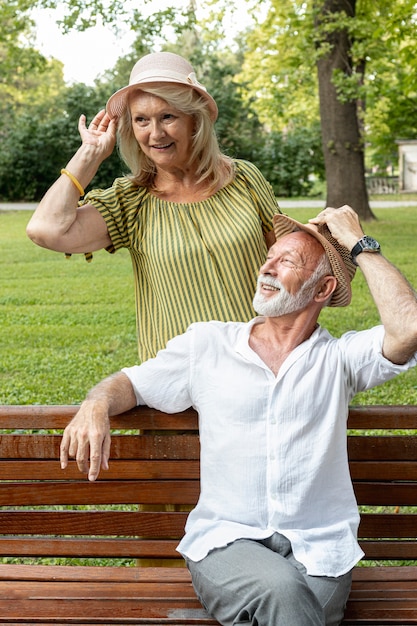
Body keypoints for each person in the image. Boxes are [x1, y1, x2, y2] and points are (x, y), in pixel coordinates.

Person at [59, 205, 417, 626]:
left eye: (287, 262)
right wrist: (96, 403)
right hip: (227, 543)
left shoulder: (340, 359)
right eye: (270, 257)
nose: (266, 268)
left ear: (323, 290)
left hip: (320, 549)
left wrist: (360, 244)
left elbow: (408, 329)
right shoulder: (208, 344)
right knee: (284, 595)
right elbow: (132, 384)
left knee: (288, 610)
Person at [26, 51, 278, 362]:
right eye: (141, 120)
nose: (155, 134)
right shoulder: (129, 201)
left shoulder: (243, 179)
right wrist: (88, 155)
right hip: (180, 381)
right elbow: (44, 230)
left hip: (260, 365)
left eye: (167, 117)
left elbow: (288, 271)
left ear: (194, 120)